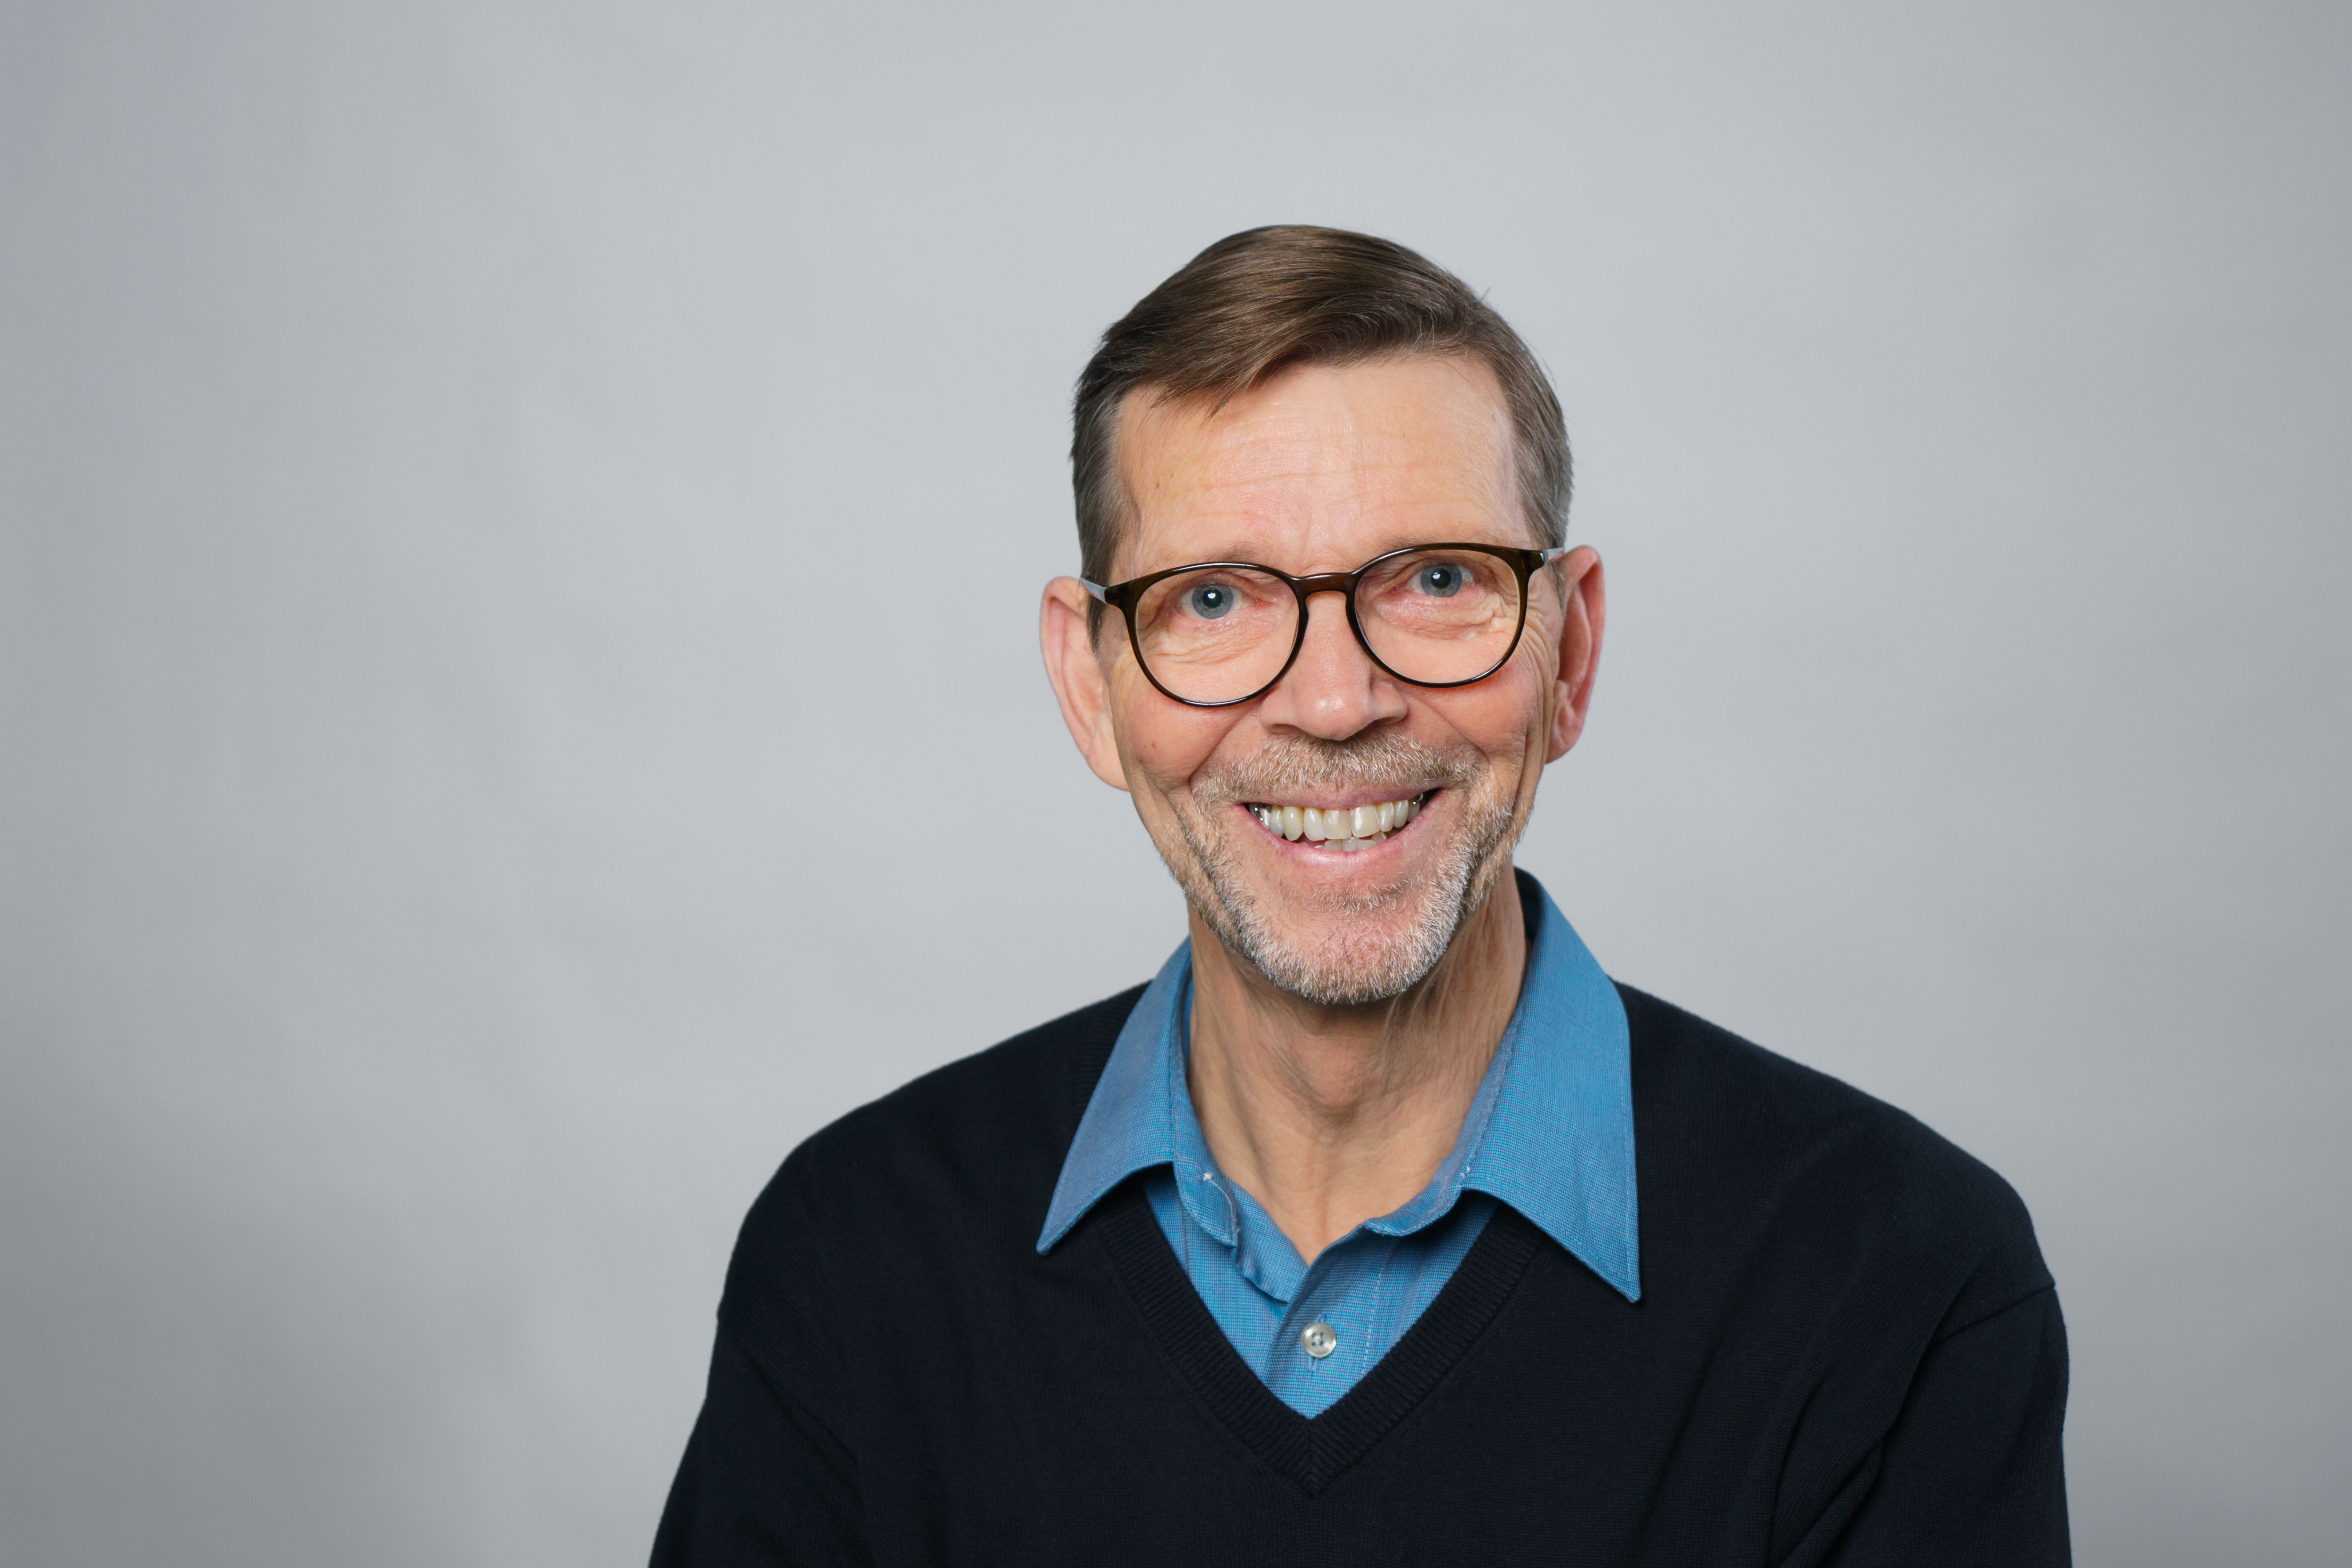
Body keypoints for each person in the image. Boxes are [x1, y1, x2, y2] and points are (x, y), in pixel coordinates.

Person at [650, 226, 2069, 1565]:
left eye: (1437, 579)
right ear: (1090, 685)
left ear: (1569, 655)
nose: (1336, 703)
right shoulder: (853, 1258)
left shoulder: (1900, 1283)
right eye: (1214, 600)